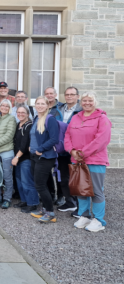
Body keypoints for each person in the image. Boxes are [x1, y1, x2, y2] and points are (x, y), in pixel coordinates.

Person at [65, 92, 111, 232]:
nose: (87, 103)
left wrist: (83, 153)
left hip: (95, 160)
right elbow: (67, 135)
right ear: (81, 102)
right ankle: (84, 215)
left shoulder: (102, 118)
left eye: (90, 100)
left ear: (95, 102)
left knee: (96, 191)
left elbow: (101, 140)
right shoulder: (75, 118)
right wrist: (72, 151)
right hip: (77, 160)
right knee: (81, 190)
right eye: (84, 100)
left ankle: (98, 220)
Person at [29, 96, 59, 223]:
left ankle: (50, 212)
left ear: (47, 106)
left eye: (42, 104)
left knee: (40, 185)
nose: (40, 105)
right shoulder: (37, 118)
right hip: (35, 156)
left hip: (45, 157)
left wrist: (40, 148)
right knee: (43, 184)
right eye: (38, 103)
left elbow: (54, 139)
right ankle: (45, 208)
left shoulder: (50, 119)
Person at [57, 87, 83, 214]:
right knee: (64, 177)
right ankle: (69, 202)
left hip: (76, 149)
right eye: (67, 94)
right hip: (62, 149)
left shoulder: (82, 111)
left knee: (77, 179)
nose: (69, 97)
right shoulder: (59, 109)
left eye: (72, 94)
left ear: (77, 96)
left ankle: (80, 207)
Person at [11, 106, 39, 213]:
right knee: (19, 181)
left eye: (23, 112)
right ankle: (24, 200)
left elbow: (24, 144)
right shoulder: (19, 124)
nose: (20, 114)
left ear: (27, 114)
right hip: (18, 158)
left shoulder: (29, 125)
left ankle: (32, 203)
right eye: (18, 112)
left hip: (25, 158)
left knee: (27, 181)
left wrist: (17, 157)